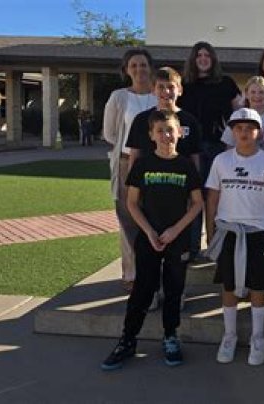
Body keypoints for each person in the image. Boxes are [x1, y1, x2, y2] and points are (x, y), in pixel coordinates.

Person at [100, 110, 204, 370]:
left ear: (179, 133)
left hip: (176, 240)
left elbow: (197, 204)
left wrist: (175, 231)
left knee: (173, 290)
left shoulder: (186, 166)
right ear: (151, 135)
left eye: (170, 130)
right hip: (149, 238)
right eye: (160, 131)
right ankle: (128, 339)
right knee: (142, 290)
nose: (166, 135)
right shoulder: (143, 165)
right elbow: (132, 203)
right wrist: (148, 231)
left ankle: (170, 337)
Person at [204, 108, 264, 366]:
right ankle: (229, 335)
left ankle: (258, 337)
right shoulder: (221, 160)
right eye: (238, 128)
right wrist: (211, 232)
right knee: (229, 286)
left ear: (259, 132)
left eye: (250, 128)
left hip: (259, 233)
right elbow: (212, 198)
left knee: (258, 286)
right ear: (232, 131)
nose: (244, 133)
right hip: (228, 231)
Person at [125, 66, 203, 310]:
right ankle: (151, 291)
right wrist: (133, 186)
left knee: (177, 247)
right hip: (149, 192)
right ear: (153, 90)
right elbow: (134, 155)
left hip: (179, 191)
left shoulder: (189, 121)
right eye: (161, 87)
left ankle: (175, 292)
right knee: (149, 244)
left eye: (171, 87)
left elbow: (194, 158)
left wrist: (194, 189)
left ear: (179, 90)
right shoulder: (142, 120)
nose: (166, 92)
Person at [178, 41, 242, 261]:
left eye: (207, 55)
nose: (203, 59)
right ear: (193, 59)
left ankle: (215, 247)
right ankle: (193, 248)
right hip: (190, 150)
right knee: (194, 198)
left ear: (213, 59)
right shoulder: (184, 85)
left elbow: (239, 111)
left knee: (217, 200)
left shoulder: (226, 83)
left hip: (218, 148)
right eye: (199, 55)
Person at [102, 48, 157, 291]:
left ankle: (153, 271)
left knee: (153, 217)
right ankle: (132, 273)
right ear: (126, 70)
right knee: (128, 218)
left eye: (143, 64)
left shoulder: (159, 95)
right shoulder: (119, 97)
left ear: (150, 68)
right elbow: (110, 134)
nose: (139, 69)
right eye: (133, 65)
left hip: (156, 163)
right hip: (127, 163)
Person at [220, 76, 264, 159]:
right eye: (253, 92)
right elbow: (229, 149)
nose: (257, 96)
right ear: (246, 94)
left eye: (261, 92)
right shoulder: (236, 118)